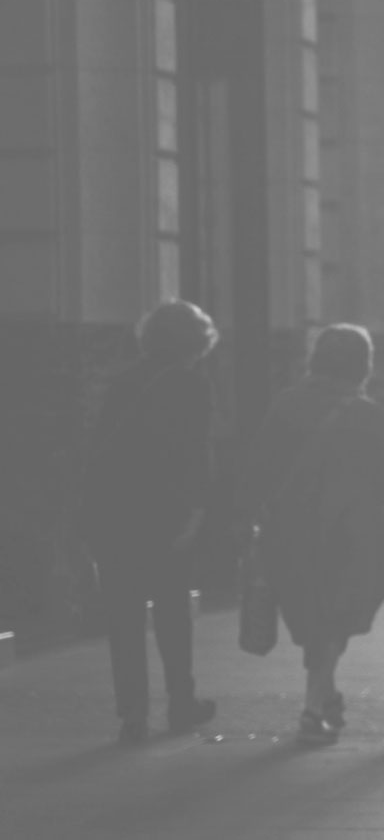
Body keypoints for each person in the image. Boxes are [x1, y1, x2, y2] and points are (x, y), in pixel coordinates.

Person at [254, 324, 384, 746]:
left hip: (291, 530)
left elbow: (262, 467)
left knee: (315, 615)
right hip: (351, 534)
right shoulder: (367, 414)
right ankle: (313, 705)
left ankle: (324, 695)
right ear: (364, 364)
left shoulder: (285, 405)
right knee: (335, 617)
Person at [82, 301, 221, 745]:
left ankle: (132, 713)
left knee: (123, 616)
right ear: (197, 342)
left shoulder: (123, 382)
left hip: (116, 512)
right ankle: (181, 702)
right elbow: (198, 452)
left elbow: (99, 445)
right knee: (172, 612)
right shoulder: (194, 385)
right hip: (168, 513)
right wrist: (199, 509)